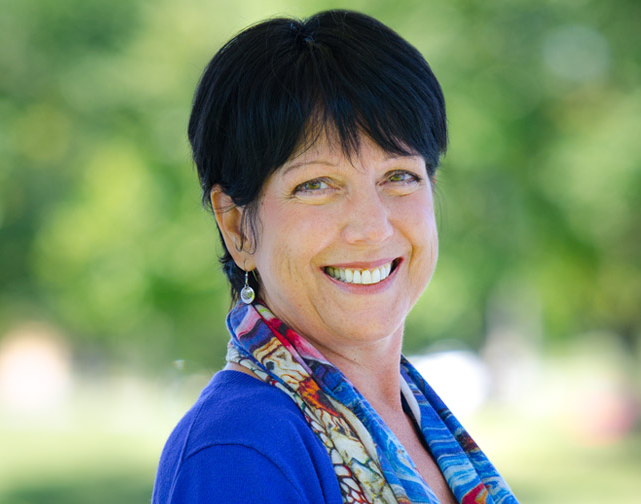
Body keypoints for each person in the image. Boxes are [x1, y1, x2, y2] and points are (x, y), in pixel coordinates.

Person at [152, 10, 517, 504]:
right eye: (316, 185)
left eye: (398, 176)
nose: (372, 228)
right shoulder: (240, 450)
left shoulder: (415, 418)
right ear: (237, 225)